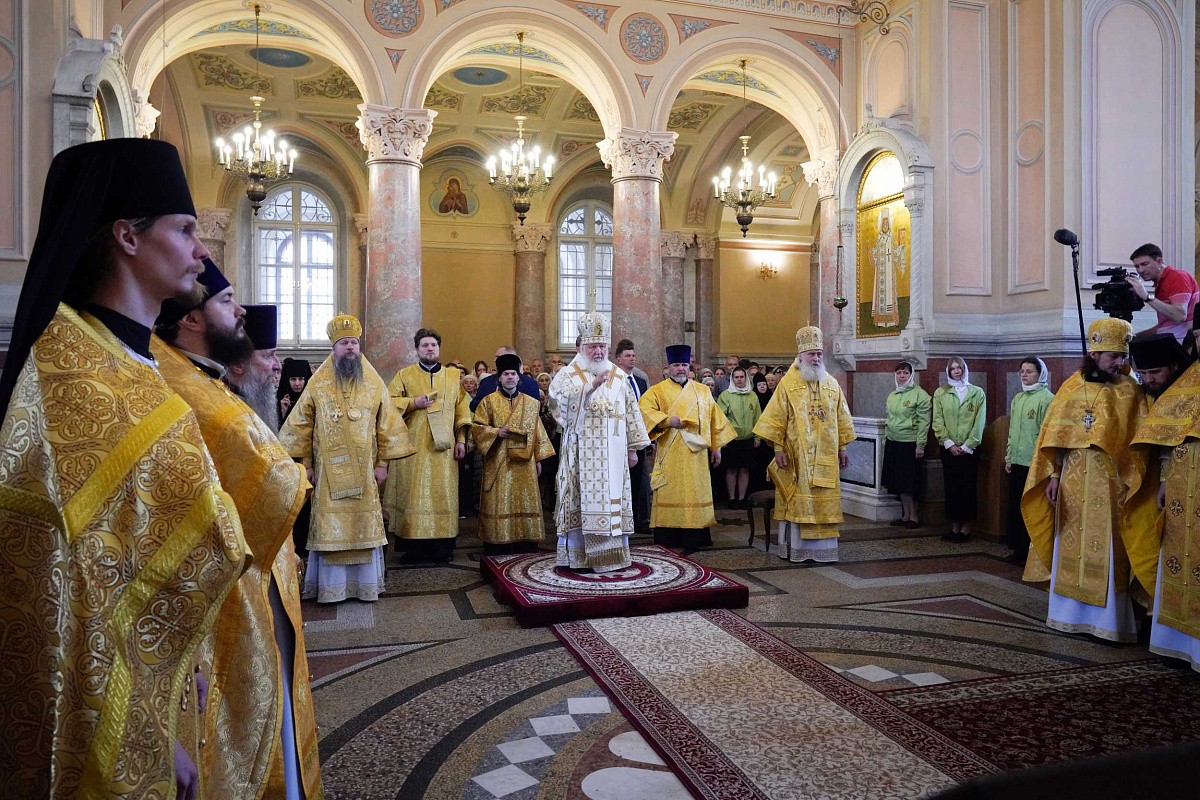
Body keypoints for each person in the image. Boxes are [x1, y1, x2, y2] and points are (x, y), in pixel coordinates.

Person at [0, 139, 246, 798]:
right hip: (109, 714)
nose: (201, 249)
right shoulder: (69, 372)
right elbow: (61, 590)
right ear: (127, 237)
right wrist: (143, 726)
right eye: (186, 229)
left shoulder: (135, 361)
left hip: (163, 674)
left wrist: (178, 663)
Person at [154, 297, 321, 799]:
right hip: (230, 588)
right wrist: (296, 480)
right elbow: (270, 482)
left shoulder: (198, 378)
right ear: (192, 318)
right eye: (267, 356)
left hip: (257, 573)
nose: (276, 367)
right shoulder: (186, 384)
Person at [1021, 318, 1158, 642]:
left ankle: (1108, 623)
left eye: (1123, 356)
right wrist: (1053, 474)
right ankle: (1067, 615)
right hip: (1071, 481)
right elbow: (1053, 438)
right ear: (1095, 352)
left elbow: (1140, 440)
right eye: (1114, 356)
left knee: (1109, 549)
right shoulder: (1071, 387)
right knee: (1069, 546)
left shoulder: (1130, 391)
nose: (1120, 363)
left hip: (1112, 485)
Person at [279, 314, 414, 602]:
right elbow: (301, 424)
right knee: (330, 526)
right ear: (334, 349)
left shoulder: (374, 383)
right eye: (344, 343)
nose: (350, 347)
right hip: (327, 473)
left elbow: (386, 424)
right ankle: (331, 588)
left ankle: (365, 586)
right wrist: (307, 465)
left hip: (366, 471)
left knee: (364, 525)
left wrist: (382, 464)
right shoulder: (318, 384)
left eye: (354, 342)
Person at [548, 311, 650, 571]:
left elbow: (630, 410)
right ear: (580, 346)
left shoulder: (618, 375)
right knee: (580, 501)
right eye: (592, 346)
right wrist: (589, 388)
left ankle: (613, 555)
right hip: (580, 453)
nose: (598, 351)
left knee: (614, 500)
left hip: (615, 456)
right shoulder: (567, 375)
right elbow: (558, 407)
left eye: (602, 346)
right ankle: (579, 557)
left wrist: (633, 448)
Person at [753, 327, 855, 562]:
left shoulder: (831, 383)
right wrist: (778, 449)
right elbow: (776, 418)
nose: (816, 358)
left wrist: (843, 448)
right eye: (811, 354)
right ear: (801, 356)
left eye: (819, 353)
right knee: (798, 501)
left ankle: (823, 552)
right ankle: (798, 550)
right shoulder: (787, 384)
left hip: (827, 457)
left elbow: (842, 417)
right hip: (796, 457)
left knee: (824, 501)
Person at [1129, 334, 1200, 670]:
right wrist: (1163, 480)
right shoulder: (1180, 388)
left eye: (1155, 372)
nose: (1149, 380)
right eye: (1198, 336)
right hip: (1180, 490)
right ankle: (1174, 641)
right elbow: (1168, 442)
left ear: (1172, 363)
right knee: (1177, 559)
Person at [384, 327, 473, 563]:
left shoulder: (454, 377)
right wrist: (413, 402)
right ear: (416, 350)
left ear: (439, 348)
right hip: (414, 449)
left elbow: (462, 409)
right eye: (425, 345)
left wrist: (462, 440)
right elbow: (388, 403)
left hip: (443, 449)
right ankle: (413, 549)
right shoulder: (405, 375)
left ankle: (442, 548)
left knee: (442, 494)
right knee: (413, 494)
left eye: (433, 345)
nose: (430, 348)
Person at [640, 344, 735, 548]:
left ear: (690, 367)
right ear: (668, 368)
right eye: (676, 365)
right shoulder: (657, 391)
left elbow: (713, 419)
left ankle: (696, 536)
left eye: (684, 364)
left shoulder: (702, 391)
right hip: (670, 450)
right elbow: (644, 412)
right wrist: (666, 420)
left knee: (694, 491)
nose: (681, 368)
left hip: (696, 454)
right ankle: (668, 536)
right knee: (670, 490)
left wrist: (716, 447)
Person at [471, 353, 556, 555]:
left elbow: (538, 432)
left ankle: (525, 542)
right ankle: (497, 543)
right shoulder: (488, 402)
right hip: (498, 460)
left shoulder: (531, 403)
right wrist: (495, 432)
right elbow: (477, 428)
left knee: (524, 498)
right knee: (500, 499)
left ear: (519, 378)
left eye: (513, 374)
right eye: (506, 374)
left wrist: (538, 458)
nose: (510, 377)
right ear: (499, 378)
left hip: (525, 463)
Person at [1003, 357, 1054, 563]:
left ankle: (1033, 551)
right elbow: (1012, 430)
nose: (1024, 374)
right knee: (1016, 506)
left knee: (1032, 508)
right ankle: (1018, 548)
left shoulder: (1047, 398)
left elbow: (1046, 433)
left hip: (1035, 464)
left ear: (1040, 374)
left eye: (1029, 371)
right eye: (1022, 371)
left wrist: (1041, 461)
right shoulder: (1018, 399)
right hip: (1017, 460)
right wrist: (1008, 455)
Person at [933, 356, 986, 543]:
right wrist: (948, 442)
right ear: (948, 371)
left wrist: (967, 445)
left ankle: (966, 528)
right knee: (951, 487)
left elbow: (979, 422)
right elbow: (937, 420)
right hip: (949, 449)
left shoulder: (977, 393)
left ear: (964, 370)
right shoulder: (941, 393)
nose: (956, 371)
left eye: (959, 368)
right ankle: (954, 526)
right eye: (953, 368)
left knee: (968, 487)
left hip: (969, 450)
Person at [881, 361, 931, 529]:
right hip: (893, 442)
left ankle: (914, 516)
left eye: (905, 373)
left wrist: (921, 445)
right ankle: (905, 515)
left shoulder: (920, 395)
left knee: (908, 483)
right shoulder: (892, 395)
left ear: (911, 375)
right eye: (898, 373)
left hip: (909, 443)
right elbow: (889, 418)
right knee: (898, 482)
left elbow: (924, 423)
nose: (901, 376)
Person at [1124, 243, 1199, 342]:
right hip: (1174, 341)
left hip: (1185, 345)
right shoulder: (1159, 284)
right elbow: (1165, 327)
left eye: (1145, 264)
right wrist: (1135, 337)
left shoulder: (1178, 277)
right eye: (1137, 266)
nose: (1140, 270)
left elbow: (1180, 316)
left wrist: (1146, 297)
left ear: (1159, 261)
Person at [614, 338, 652, 532]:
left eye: (633, 355)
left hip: (640, 437)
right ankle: (623, 518)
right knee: (622, 480)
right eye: (627, 356)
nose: (632, 359)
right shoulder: (614, 381)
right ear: (618, 359)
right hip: (619, 437)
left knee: (640, 480)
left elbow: (645, 410)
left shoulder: (639, 380)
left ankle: (640, 519)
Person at [717, 366, 763, 510]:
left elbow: (758, 417)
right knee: (731, 470)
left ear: (746, 378)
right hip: (732, 440)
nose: (739, 380)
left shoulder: (752, 396)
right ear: (732, 379)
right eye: (736, 377)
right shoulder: (725, 395)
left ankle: (742, 498)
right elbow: (720, 418)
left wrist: (758, 437)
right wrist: (723, 438)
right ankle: (732, 498)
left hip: (748, 438)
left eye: (741, 377)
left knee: (744, 469)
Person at [471, 346, 540, 412]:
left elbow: (535, 409)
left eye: (498, 357)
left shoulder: (530, 383)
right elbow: (474, 406)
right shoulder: (486, 382)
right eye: (506, 374)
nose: (494, 360)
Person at [279, 357, 312, 423]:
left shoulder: (312, 400)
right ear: (287, 380)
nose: (297, 384)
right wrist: (283, 412)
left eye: (301, 379)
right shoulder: (278, 401)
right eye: (293, 379)